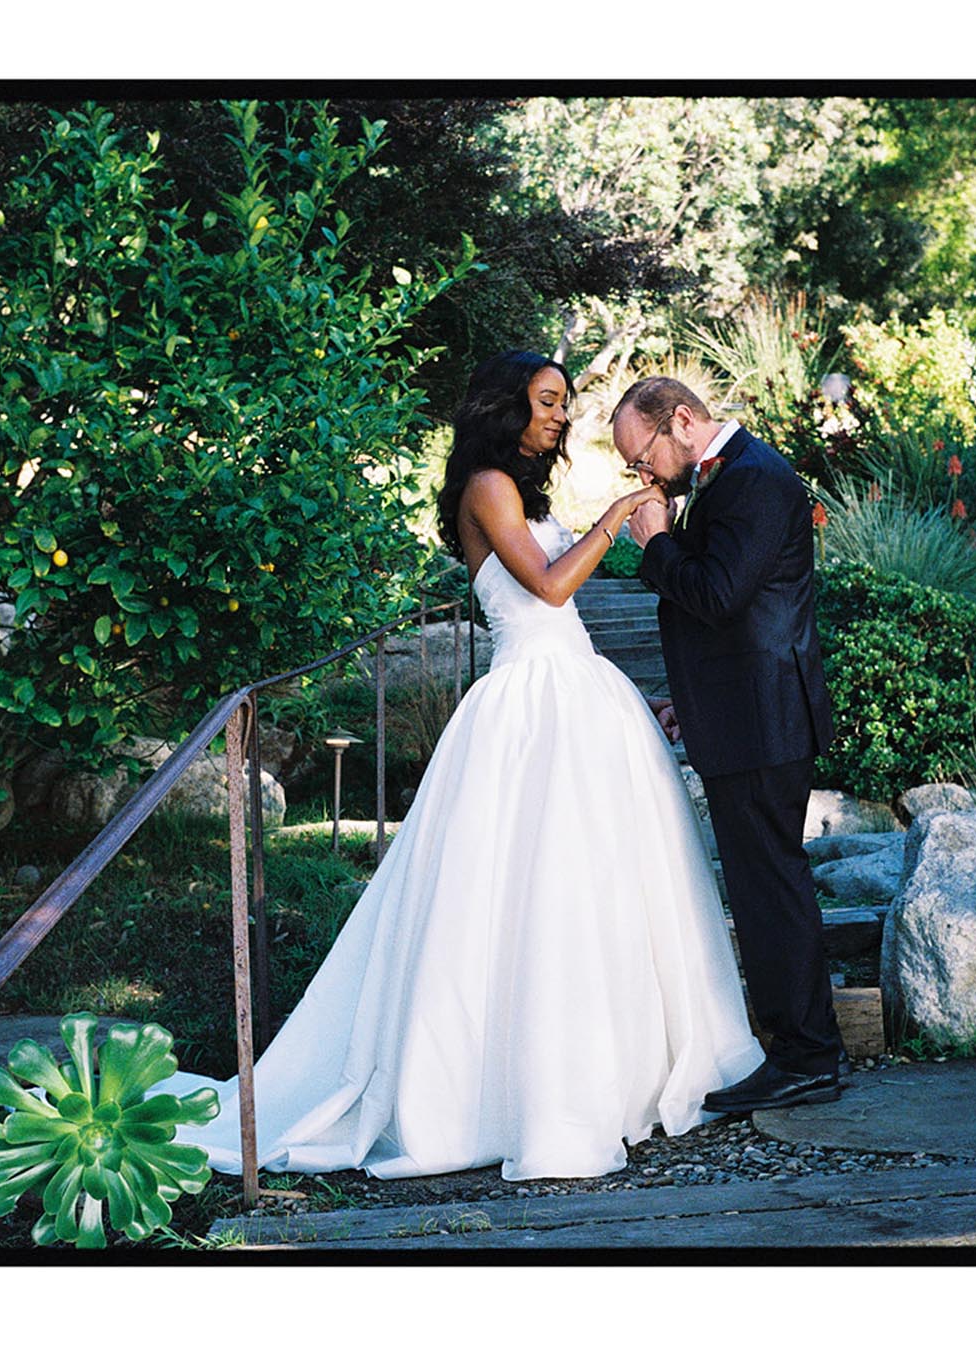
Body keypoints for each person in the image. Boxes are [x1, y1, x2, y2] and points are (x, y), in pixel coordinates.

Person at [152, 351, 765, 1181]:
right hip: (528, 696)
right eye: (548, 403)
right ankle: (521, 1092)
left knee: (599, 885)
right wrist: (619, 515)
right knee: (522, 888)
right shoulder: (485, 484)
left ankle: (621, 1070)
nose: (560, 417)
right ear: (505, 407)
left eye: (563, 404)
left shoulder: (522, 490)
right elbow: (548, 589)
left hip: (581, 690)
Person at [613, 375, 845, 1113]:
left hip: (764, 720)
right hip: (743, 714)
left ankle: (808, 1055)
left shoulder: (753, 479)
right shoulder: (730, 480)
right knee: (763, 884)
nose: (641, 476)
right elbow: (731, 614)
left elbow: (716, 593)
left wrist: (654, 543)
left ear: (681, 421)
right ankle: (802, 1050)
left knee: (771, 886)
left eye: (641, 457)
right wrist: (690, 699)